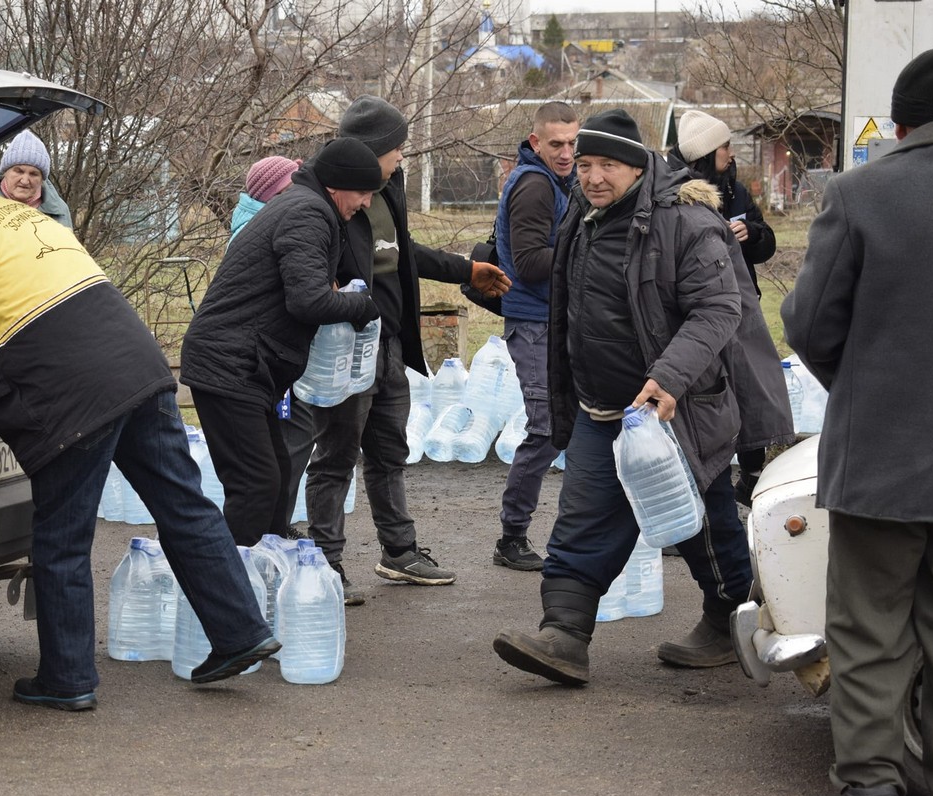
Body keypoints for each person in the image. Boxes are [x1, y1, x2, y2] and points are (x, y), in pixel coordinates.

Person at [0, 150, 278, 712]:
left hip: (69, 396)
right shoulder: (13, 216)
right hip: (138, 368)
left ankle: (67, 678)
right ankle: (241, 632)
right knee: (185, 506)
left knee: (61, 537)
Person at [492, 109, 775, 685]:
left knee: (699, 520)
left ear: (639, 166)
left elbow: (719, 309)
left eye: (608, 165)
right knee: (581, 518)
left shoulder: (685, 221)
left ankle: (726, 621)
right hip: (603, 407)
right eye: (586, 164)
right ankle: (564, 636)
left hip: (678, 409)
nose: (593, 176)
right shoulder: (582, 216)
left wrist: (669, 379)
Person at [781, 46, 933, 796]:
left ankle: (871, 783)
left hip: (881, 459)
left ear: (904, 119)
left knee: (869, 631)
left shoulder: (860, 194)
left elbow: (812, 326)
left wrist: (863, 388)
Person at [293, 95, 511, 602]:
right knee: (336, 456)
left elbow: (402, 253)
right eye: (397, 149)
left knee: (389, 451)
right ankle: (327, 565)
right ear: (372, 151)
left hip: (388, 344)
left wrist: (466, 268)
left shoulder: (387, 188)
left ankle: (399, 550)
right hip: (344, 351)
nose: (402, 158)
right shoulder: (330, 198)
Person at [179, 138, 381, 549]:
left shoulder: (306, 207)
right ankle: (227, 591)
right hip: (229, 365)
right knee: (256, 485)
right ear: (339, 185)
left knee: (275, 478)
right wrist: (360, 305)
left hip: (248, 366)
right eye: (363, 193)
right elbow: (307, 300)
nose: (366, 204)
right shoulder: (307, 212)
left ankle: (266, 583)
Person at [668, 108, 779, 505]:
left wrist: (753, 234)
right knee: (709, 398)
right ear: (705, 152)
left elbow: (767, 243)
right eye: (725, 146)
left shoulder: (734, 189)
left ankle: (750, 476)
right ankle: (699, 489)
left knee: (752, 387)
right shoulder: (674, 193)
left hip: (742, 308)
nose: (732, 154)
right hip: (699, 317)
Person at [491, 101, 578, 572]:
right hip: (533, 323)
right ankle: (511, 536)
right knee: (545, 429)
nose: (566, 152)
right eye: (556, 144)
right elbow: (527, 263)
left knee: (580, 424)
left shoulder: (561, 182)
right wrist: (583, 250)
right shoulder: (535, 186)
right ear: (535, 141)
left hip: (555, 321)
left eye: (572, 143)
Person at [0, 130, 74, 228]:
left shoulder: (59, 211)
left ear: (42, 179)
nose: (25, 181)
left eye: (34, 174)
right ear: (5, 172)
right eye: (19, 171)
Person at [229, 155, 301, 241]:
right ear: (273, 196)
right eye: (293, 187)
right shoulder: (252, 233)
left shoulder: (275, 220)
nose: (301, 191)